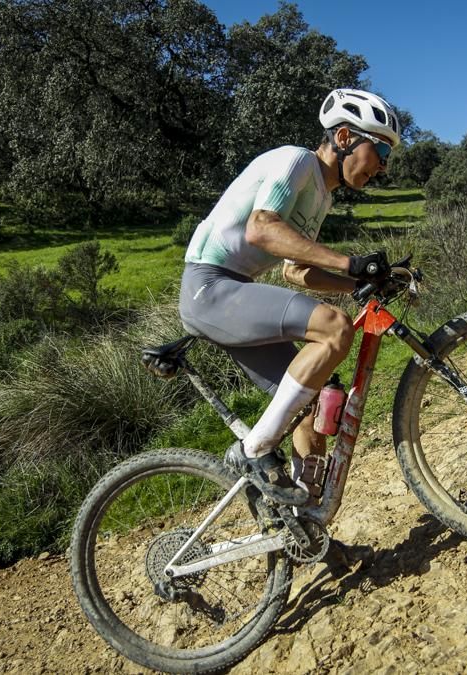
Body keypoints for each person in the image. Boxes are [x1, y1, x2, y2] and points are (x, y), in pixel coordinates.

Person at [179, 88, 400, 505]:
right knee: (334, 327)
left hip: (233, 293)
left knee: (313, 403)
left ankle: (305, 519)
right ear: (346, 138)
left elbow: (295, 270)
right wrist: (349, 262)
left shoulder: (323, 193)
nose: (384, 168)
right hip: (210, 287)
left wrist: (360, 284)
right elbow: (261, 228)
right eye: (381, 151)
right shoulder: (296, 161)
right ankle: (253, 450)